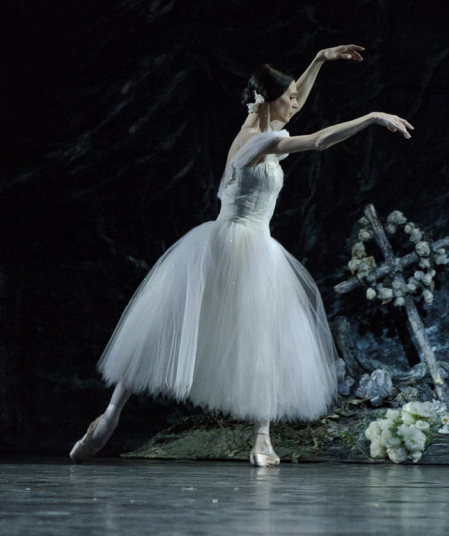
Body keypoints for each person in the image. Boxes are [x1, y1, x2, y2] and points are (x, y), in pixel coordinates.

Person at [70, 44, 413, 466]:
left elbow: (294, 100)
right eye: (288, 99)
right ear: (270, 101)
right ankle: (109, 417)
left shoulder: (261, 126)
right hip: (238, 243)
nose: (296, 103)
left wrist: (321, 59)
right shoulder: (257, 141)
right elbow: (321, 140)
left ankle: (260, 438)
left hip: (242, 240)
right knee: (184, 326)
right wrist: (372, 117)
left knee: (257, 334)